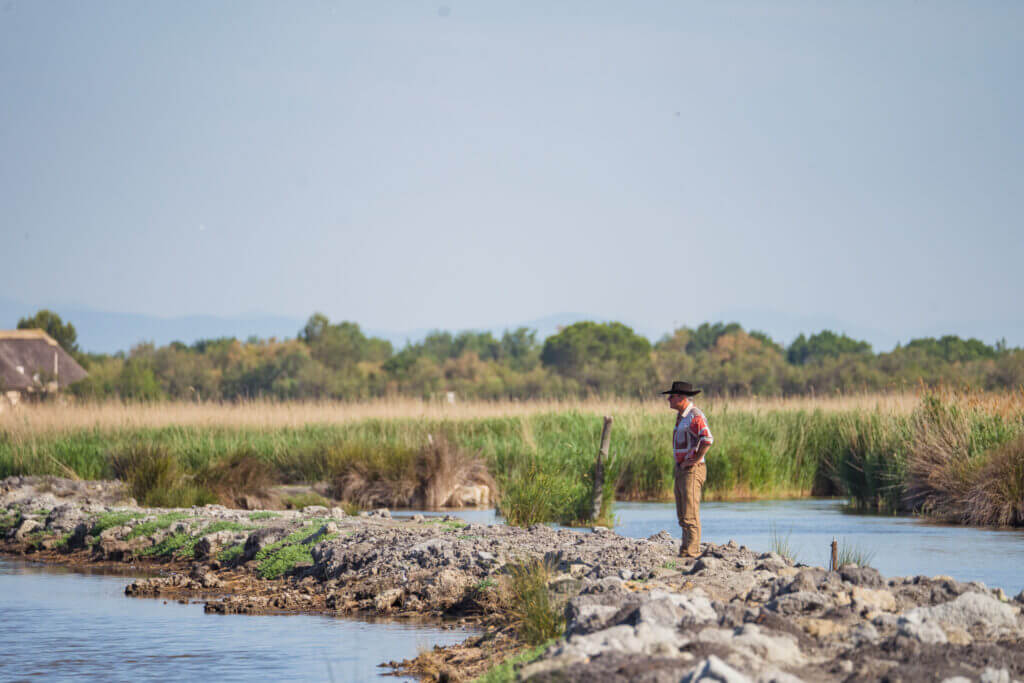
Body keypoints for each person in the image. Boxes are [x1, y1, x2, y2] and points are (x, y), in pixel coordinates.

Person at [662, 381, 713, 558]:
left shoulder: (694, 415)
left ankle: (692, 553)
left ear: (682, 398)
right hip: (682, 469)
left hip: (693, 470)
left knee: (690, 512)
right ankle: (686, 550)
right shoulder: (682, 416)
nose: (668, 399)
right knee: (683, 512)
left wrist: (695, 459)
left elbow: (707, 439)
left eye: (672, 396)